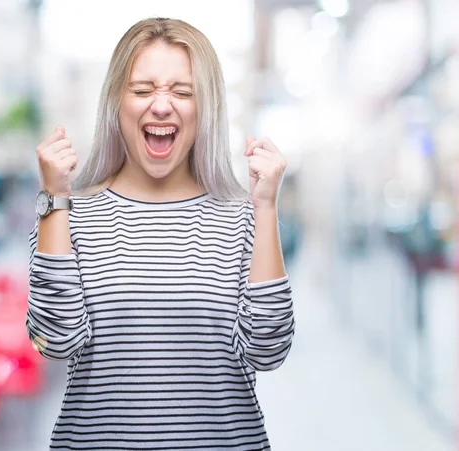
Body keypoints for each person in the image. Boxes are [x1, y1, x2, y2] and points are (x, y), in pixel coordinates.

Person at [27, 17, 295, 451]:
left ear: (205, 107)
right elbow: (53, 344)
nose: (162, 105)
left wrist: (264, 207)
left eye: (182, 92)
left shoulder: (242, 219)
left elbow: (268, 350)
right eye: (143, 89)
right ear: (116, 100)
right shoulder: (67, 214)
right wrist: (54, 197)